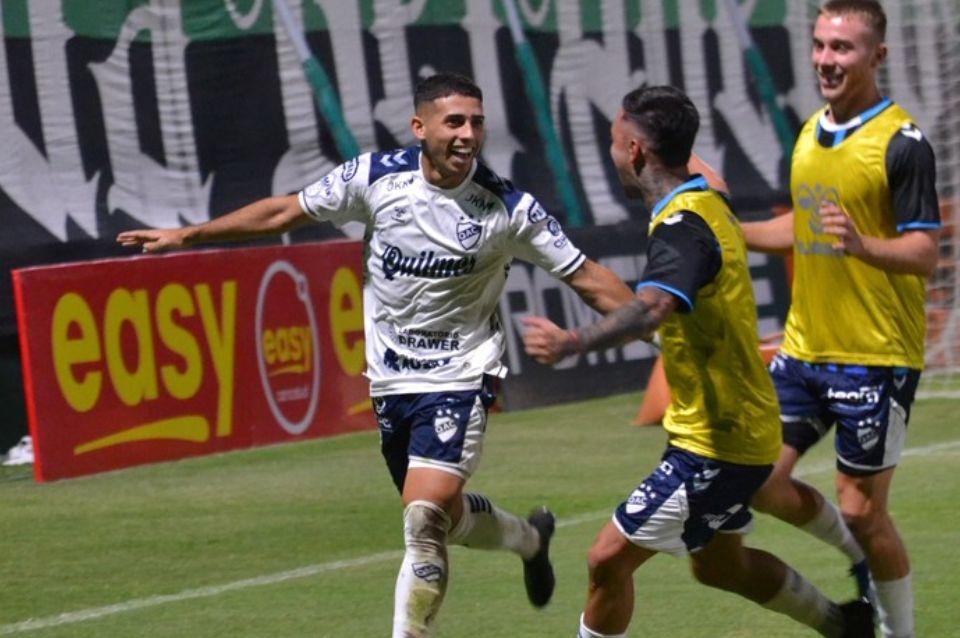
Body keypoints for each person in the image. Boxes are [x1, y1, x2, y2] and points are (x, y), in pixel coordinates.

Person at [118, 72, 636, 638]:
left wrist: (666, 330)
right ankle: (529, 539)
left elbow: (588, 276)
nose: (468, 134)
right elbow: (283, 213)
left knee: (424, 520)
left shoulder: (507, 207)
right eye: (454, 122)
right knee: (443, 518)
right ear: (419, 127)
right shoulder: (373, 179)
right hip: (390, 382)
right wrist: (189, 235)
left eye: (476, 122)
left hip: (461, 375)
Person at [522, 84, 874, 638]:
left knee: (606, 560)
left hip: (716, 446)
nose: (611, 153)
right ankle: (844, 625)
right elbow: (694, 163)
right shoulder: (708, 196)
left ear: (635, 151)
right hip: (738, 427)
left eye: (614, 142)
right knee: (720, 567)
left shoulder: (683, 230)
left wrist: (572, 342)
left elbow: (651, 308)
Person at [742, 3, 941, 637]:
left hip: (875, 357)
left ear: (877, 56)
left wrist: (862, 245)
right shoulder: (809, 134)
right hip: (804, 350)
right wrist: (729, 228)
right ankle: (855, 558)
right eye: (821, 45)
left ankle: (899, 631)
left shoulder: (903, 144)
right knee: (757, 479)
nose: (827, 60)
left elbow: (925, 252)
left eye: (843, 48)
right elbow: (801, 232)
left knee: (863, 510)